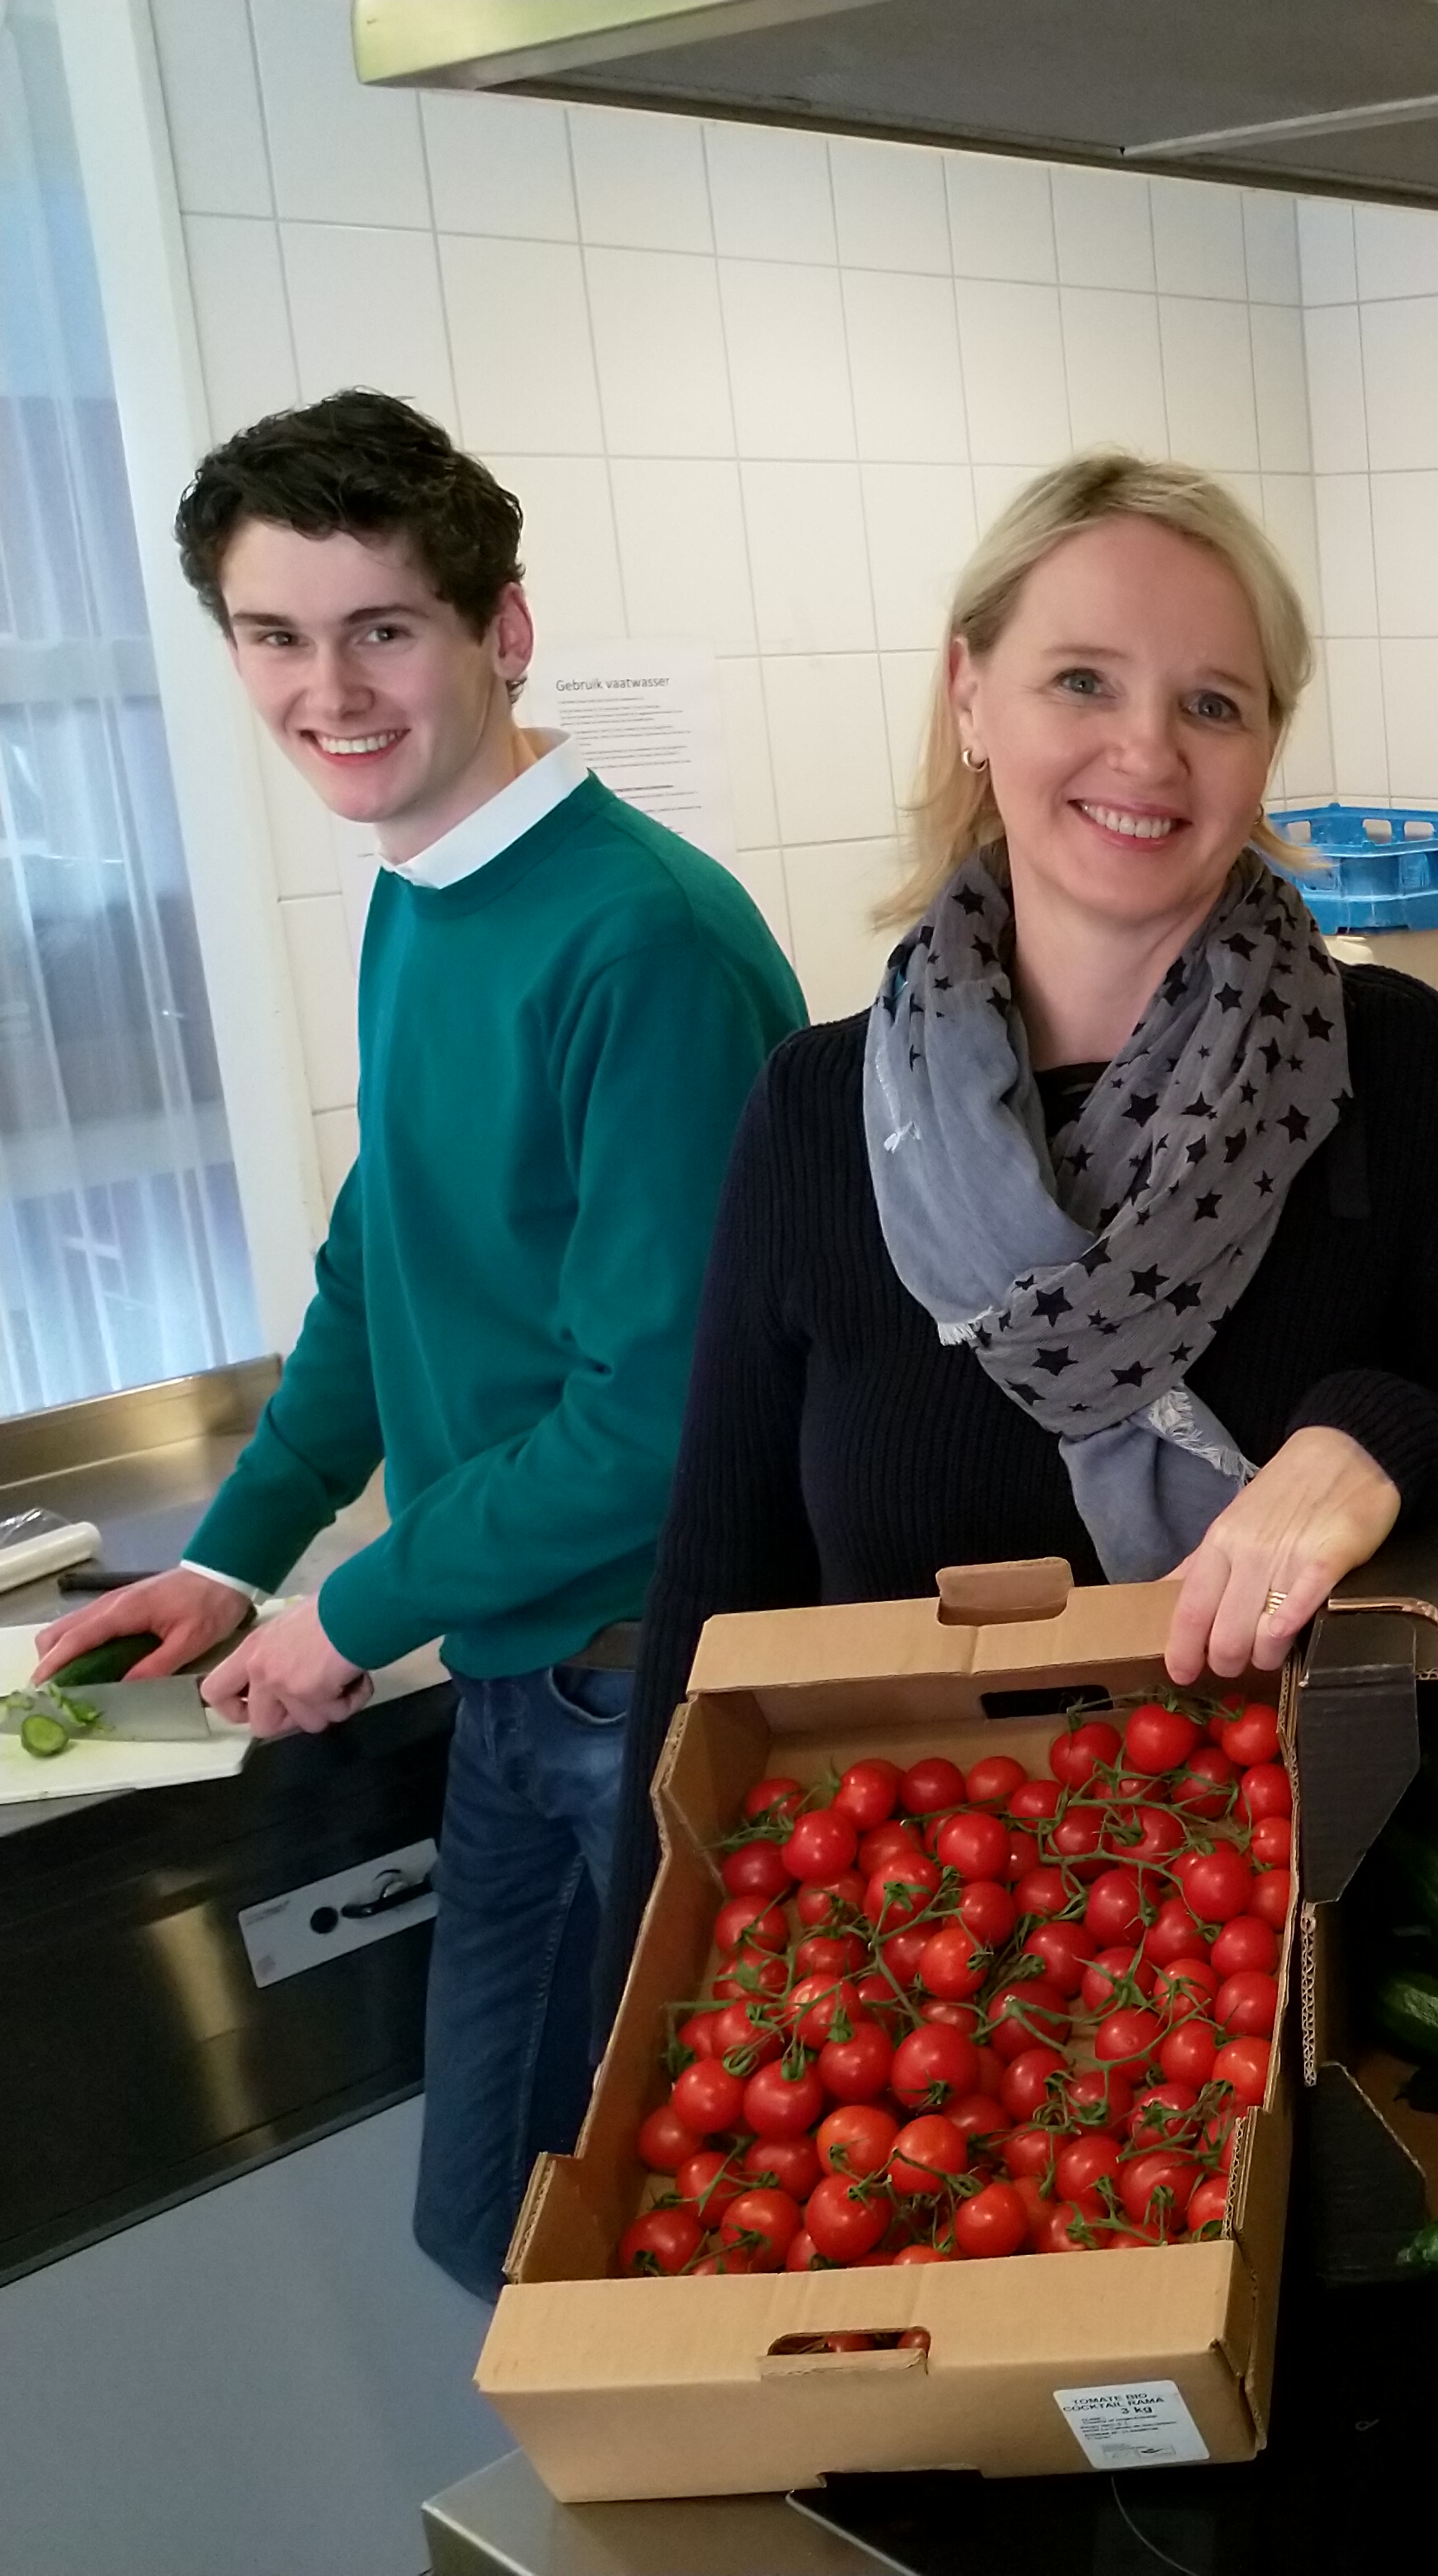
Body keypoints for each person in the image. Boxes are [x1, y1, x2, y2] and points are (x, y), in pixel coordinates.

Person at [597, 451, 1438, 2016]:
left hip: (1319, 1940)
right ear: (970, 697)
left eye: (1214, 703)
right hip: (920, 1985)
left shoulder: (1393, 1064)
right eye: (1083, 678)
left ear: (1265, 749)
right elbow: (720, 1591)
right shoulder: (818, 1114)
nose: (1148, 751)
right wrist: (642, 2004)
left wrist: (1379, 1440)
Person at [31, 390, 806, 2298]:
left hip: (657, 1684)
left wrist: (353, 1611)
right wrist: (233, 1552)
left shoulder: (639, 941)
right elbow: (385, 1267)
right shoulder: (419, 897)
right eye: (275, 638)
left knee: (645, 2246)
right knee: (506, 2230)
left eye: (383, 628)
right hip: (524, 1676)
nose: (330, 689)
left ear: (500, 631)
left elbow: (657, 1416)